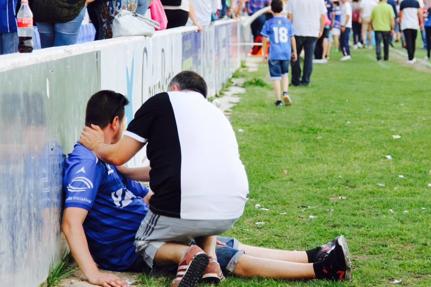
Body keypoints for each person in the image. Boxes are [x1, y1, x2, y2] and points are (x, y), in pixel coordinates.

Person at [66, 88, 352, 287]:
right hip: (131, 248)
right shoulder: (85, 162)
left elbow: (142, 192)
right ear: (116, 122)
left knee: (224, 243)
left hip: (149, 232)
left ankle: (313, 255)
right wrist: (93, 273)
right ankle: (319, 269)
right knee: (226, 257)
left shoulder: (107, 162)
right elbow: (71, 223)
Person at [79, 71, 249, 285]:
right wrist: (128, 172)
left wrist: (96, 146)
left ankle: (190, 255)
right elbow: (176, 168)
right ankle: (211, 261)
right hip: (231, 208)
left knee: (141, 242)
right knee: (201, 214)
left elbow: (117, 155)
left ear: (174, 89)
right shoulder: (213, 111)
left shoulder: (161, 102)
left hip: (188, 205)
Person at [261, 0, 297, 107]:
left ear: (271, 9)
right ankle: (285, 92)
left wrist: (264, 53)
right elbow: (292, 38)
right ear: (282, 8)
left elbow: (264, 38)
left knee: (275, 77)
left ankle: (278, 101)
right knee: (285, 74)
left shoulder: (268, 23)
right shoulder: (288, 23)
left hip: (274, 53)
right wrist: (294, 51)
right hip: (286, 52)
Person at [287, 0, 327, 86]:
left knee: (294, 55)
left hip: (297, 30)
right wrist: (321, 30)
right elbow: (323, 16)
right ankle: (306, 80)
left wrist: (288, 31)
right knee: (309, 58)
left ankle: (295, 80)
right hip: (313, 30)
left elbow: (289, 16)